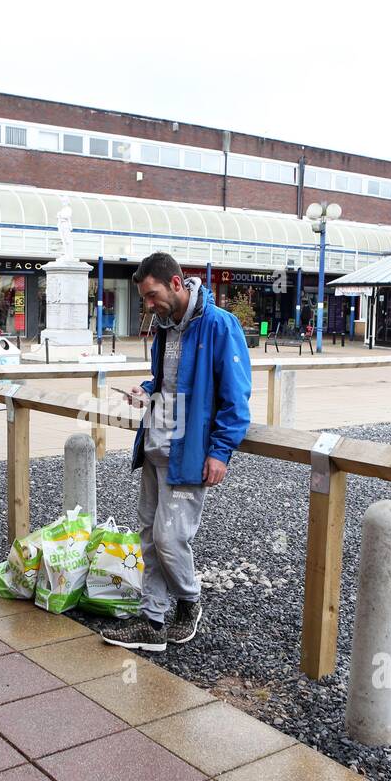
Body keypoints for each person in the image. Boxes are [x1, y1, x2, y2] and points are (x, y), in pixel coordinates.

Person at [102, 252, 252, 652]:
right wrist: (146, 391)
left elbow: (237, 399)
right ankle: (151, 622)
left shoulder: (220, 325)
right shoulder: (166, 327)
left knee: (171, 538)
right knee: (149, 537)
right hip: (155, 447)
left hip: (189, 456)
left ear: (175, 283)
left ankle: (189, 601)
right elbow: (165, 382)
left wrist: (220, 452)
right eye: (145, 300)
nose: (149, 306)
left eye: (152, 296)